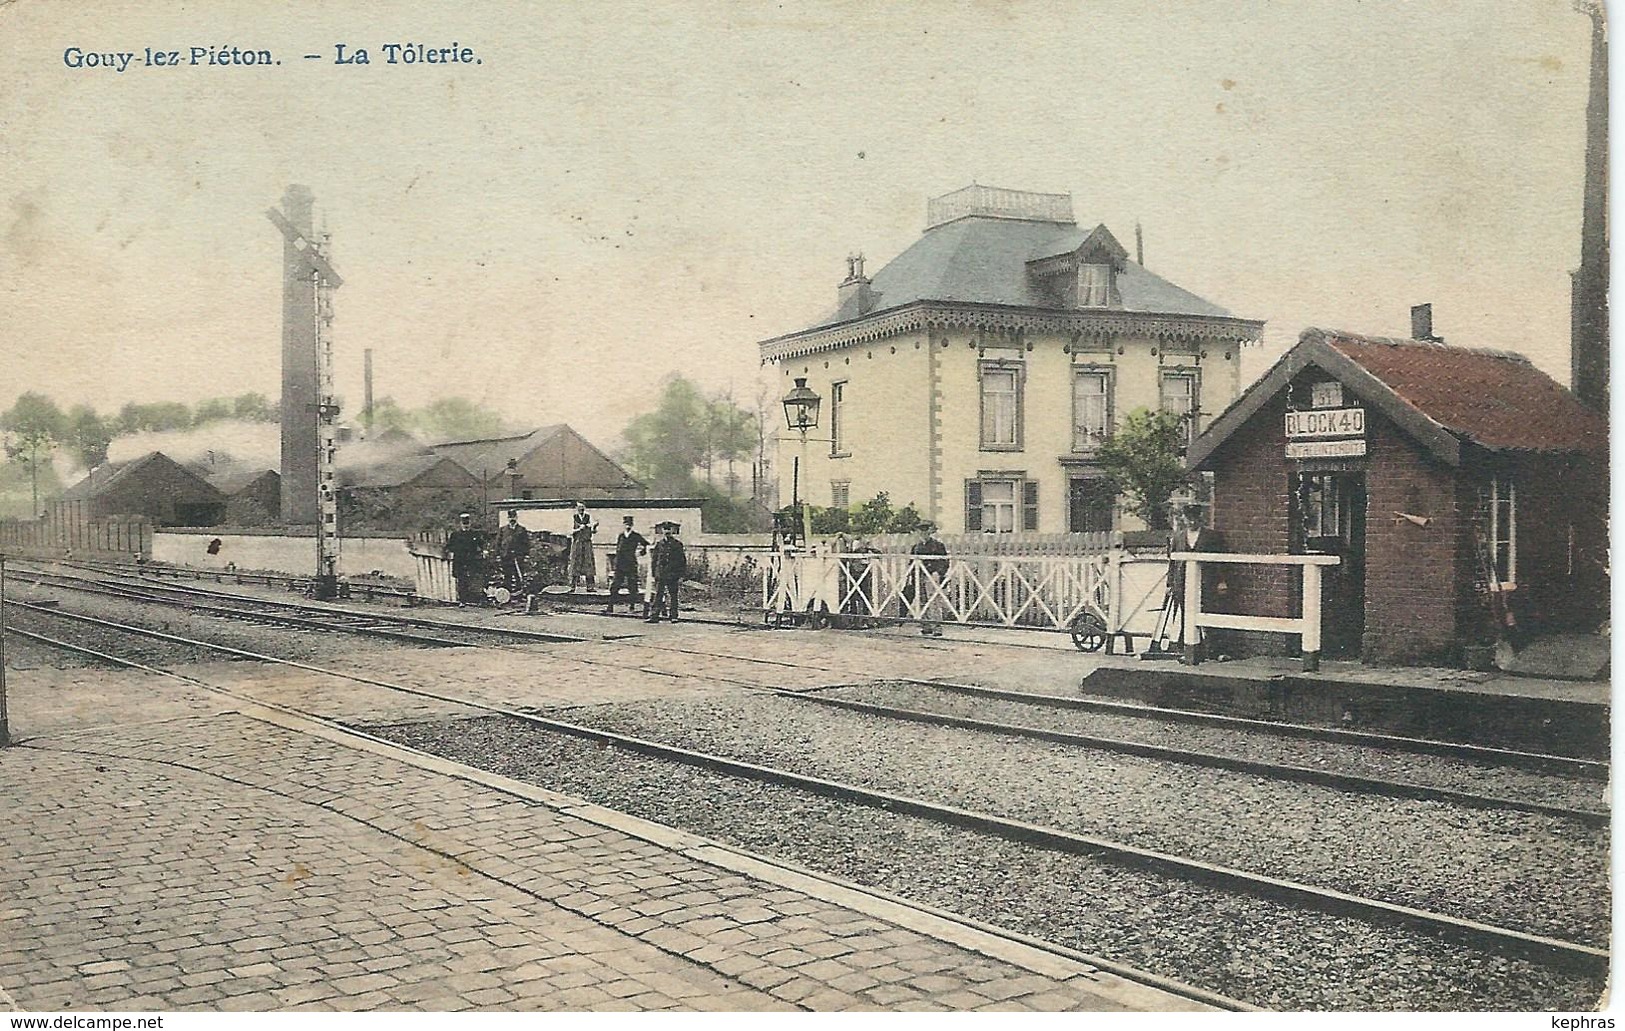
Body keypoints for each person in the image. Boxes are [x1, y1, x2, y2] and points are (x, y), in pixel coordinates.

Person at [906, 523, 949, 636]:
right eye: (920, 531)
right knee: (921, 600)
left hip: (931, 575)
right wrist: (911, 575)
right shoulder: (916, 547)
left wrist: (938, 572)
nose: (923, 534)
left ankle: (937, 627)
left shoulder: (937, 545)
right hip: (919, 575)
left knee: (933, 600)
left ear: (929, 532)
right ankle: (926, 625)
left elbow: (944, 561)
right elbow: (911, 562)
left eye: (925, 531)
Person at [604, 515, 650, 613]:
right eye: (626, 524)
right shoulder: (621, 536)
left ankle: (632, 606)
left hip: (630, 564)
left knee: (632, 586)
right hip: (620, 564)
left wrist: (641, 552)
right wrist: (616, 561)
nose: (628, 526)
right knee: (615, 585)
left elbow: (646, 544)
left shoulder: (635, 536)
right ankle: (610, 606)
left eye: (629, 524)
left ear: (632, 525)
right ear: (624, 525)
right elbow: (618, 549)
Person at [647, 522, 687, 623]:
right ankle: (654, 616)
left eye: (669, 529)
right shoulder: (659, 544)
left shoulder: (677, 544)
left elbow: (682, 561)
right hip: (660, 574)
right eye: (665, 529)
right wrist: (653, 574)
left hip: (672, 574)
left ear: (672, 531)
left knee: (673, 596)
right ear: (662, 531)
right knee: (658, 595)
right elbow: (654, 560)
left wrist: (681, 575)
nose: (667, 532)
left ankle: (673, 616)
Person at [444, 512, 487, 605]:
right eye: (464, 524)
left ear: (470, 523)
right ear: (461, 524)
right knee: (461, 581)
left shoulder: (475, 534)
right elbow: (449, 546)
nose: (466, 526)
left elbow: (482, 544)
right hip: (460, 561)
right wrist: (452, 552)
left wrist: (484, 550)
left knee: (474, 580)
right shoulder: (455, 535)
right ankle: (462, 601)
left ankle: (474, 600)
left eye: (467, 523)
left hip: (472, 561)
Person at [496, 510, 531, 591]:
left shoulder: (522, 530)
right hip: (506, 556)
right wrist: (498, 555)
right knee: (507, 575)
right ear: (508, 518)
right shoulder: (502, 530)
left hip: (518, 556)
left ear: (516, 518)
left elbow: (526, 543)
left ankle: (518, 593)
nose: (512, 519)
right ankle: (507, 593)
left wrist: (526, 555)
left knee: (518, 575)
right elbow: (498, 543)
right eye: (510, 517)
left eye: (514, 517)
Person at [567, 501, 597, 591]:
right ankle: (572, 586)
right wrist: (579, 529)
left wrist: (594, 527)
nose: (581, 509)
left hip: (587, 543)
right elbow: (569, 531)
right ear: (576, 508)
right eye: (579, 507)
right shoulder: (573, 517)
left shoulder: (588, 517)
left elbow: (592, 531)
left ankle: (590, 586)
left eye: (583, 507)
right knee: (575, 563)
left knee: (588, 564)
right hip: (577, 543)